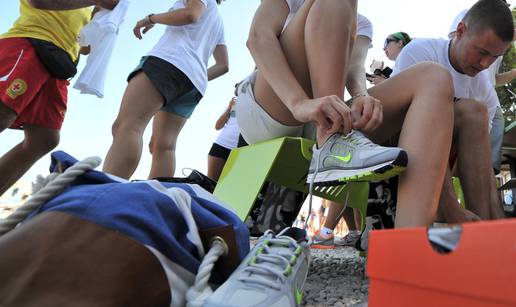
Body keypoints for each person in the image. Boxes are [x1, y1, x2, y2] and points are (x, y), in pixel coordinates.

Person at [236, 0, 456, 229]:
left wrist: (361, 95)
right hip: (272, 107)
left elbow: (354, 66)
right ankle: (331, 139)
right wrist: (299, 103)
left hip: (325, 112)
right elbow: (258, 38)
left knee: (433, 77)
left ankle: (409, 242)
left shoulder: (360, 21)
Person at [392, 0, 514, 222]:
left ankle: (483, 232)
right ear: (460, 31)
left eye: (495, 57)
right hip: (395, 147)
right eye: (482, 52)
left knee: (474, 111)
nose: (486, 64)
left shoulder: (483, 88)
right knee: (436, 79)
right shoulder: (421, 52)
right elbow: (413, 134)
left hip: (443, 163)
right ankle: (448, 210)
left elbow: (481, 161)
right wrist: (451, 206)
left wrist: (497, 216)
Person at [0, 0, 118, 197]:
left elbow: (84, 46)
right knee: (2, 115)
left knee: (44, 139)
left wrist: (98, 19)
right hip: (31, 42)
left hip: (58, 62)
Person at [103, 0, 228, 179]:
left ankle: (106, 191)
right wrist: (193, 74)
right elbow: (224, 65)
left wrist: (151, 19)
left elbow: (190, 14)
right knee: (163, 147)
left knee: (127, 126)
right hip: (193, 83)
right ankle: (153, 200)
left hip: (168, 62)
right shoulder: (217, 19)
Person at [207, 93, 240, 181]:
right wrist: (229, 107)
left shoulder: (256, 104)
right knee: (211, 181)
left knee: (231, 182)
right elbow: (217, 126)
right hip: (221, 145)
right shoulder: (233, 105)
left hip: (240, 149)